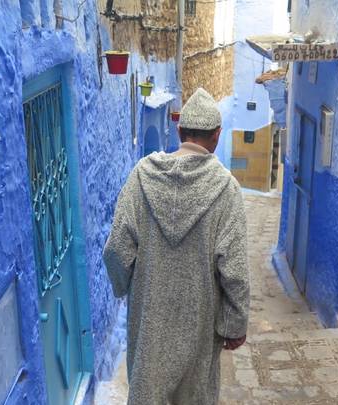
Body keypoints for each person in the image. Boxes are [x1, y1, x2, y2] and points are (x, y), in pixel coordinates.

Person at [103, 88, 250, 405]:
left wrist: (125, 287)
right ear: (216, 136)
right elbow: (234, 270)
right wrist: (235, 324)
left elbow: (116, 250)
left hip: (150, 327)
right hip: (199, 328)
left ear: (180, 130)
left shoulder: (141, 178)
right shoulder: (226, 190)